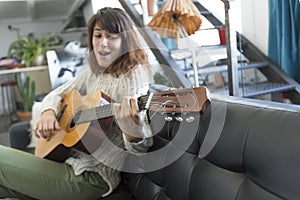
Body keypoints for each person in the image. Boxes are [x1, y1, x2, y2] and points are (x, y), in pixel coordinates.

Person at [0, 7, 153, 199]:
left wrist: (133, 132)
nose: (102, 43)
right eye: (97, 35)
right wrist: (48, 113)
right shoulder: (95, 72)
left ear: (126, 41)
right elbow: (56, 93)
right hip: (67, 162)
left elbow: (140, 149)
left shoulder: (134, 75)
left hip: (92, 177)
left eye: (112, 36)